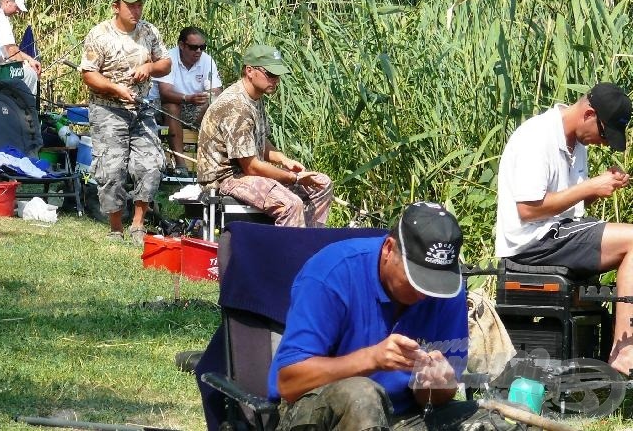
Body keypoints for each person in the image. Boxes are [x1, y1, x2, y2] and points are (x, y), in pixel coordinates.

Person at [269, 202, 494, 430]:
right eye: (417, 279)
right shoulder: (330, 274)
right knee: (362, 395)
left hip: (403, 416)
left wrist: (438, 386)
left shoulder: (447, 291)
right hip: (313, 416)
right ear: (388, 248)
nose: (424, 293)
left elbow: (434, 399)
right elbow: (289, 383)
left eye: (434, 283)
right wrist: (372, 359)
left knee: (494, 419)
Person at [495, 82, 633, 374]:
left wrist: (597, 189)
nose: (605, 143)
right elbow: (529, 209)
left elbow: (565, 207)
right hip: (532, 243)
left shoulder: (576, 144)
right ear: (588, 114)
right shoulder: (537, 137)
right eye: (605, 134)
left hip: (557, 232)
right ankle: (624, 353)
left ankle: (622, 346)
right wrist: (590, 185)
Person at [196, 45, 333, 227]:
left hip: (245, 173)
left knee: (322, 184)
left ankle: (310, 242)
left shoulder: (255, 98)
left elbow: (261, 142)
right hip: (225, 180)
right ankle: (286, 253)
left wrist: (283, 160)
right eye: (270, 74)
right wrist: (294, 178)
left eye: (277, 75)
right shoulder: (236, 106)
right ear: (250, 71)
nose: (275, 80)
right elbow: (251, 167)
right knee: (290, 204)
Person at [80, 0, 171, 244]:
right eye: (130, 5)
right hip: (108, 109)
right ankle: (115, 227)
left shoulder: (149, 31)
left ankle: (138, 224)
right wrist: (115, 89)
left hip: (141, 109)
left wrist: (149, 68)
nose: (136, 9)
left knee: (151, 164)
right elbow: (89, 75)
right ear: (116, 7)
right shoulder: (100, 35)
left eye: (139, 4)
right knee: (111, 170)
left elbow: (165, 63)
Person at [154, 26, 222, 176]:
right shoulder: (168, 59)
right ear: (182, 45)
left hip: (193, 108)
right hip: (163, 108)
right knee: (172, 106)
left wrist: (206, 96)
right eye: (193, 47)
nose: (198, 51)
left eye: (202, 47)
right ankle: (181, 165)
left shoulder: (206, 60)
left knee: (217, 103)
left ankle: (214, 163)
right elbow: (165, 93)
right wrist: (187, 98)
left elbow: (216, 91)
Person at [0, 0, 40, 94]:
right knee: (31, 74)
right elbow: (11, 51)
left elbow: (9, 48)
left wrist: (30, 59)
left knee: (27, 68)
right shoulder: (0, 18)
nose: (18, 11)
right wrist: (24, 65)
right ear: (7, 2)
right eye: (17, 7)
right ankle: (28, 108)